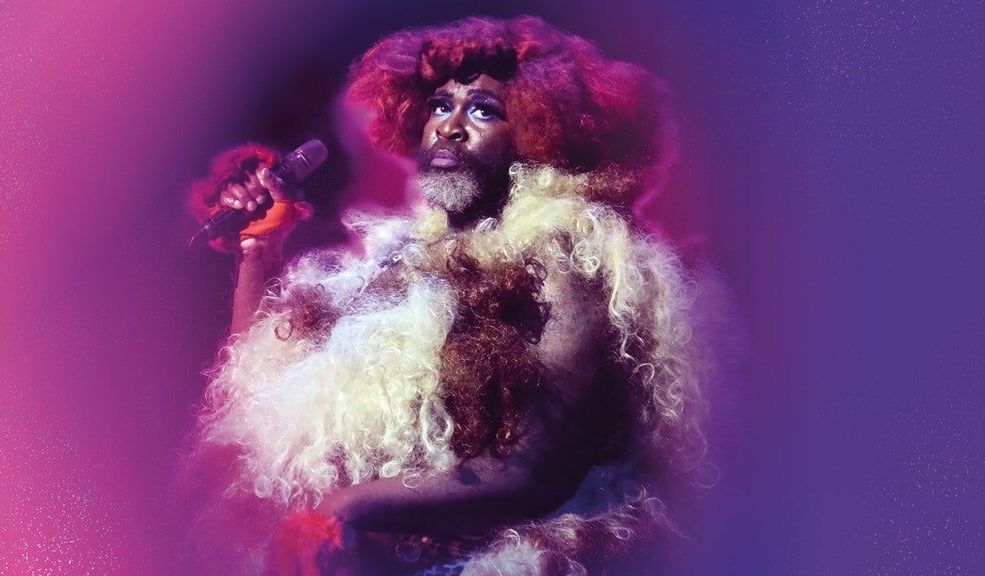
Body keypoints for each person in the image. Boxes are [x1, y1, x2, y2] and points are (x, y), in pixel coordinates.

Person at [182, 15, 708, 576]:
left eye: (483, 111)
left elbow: (537, 472)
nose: (450, 128)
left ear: (539, 132)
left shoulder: (569, 258)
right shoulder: (399, 254)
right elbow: (259, 395)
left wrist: (343, 511)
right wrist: (259, 251)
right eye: (439, 106)